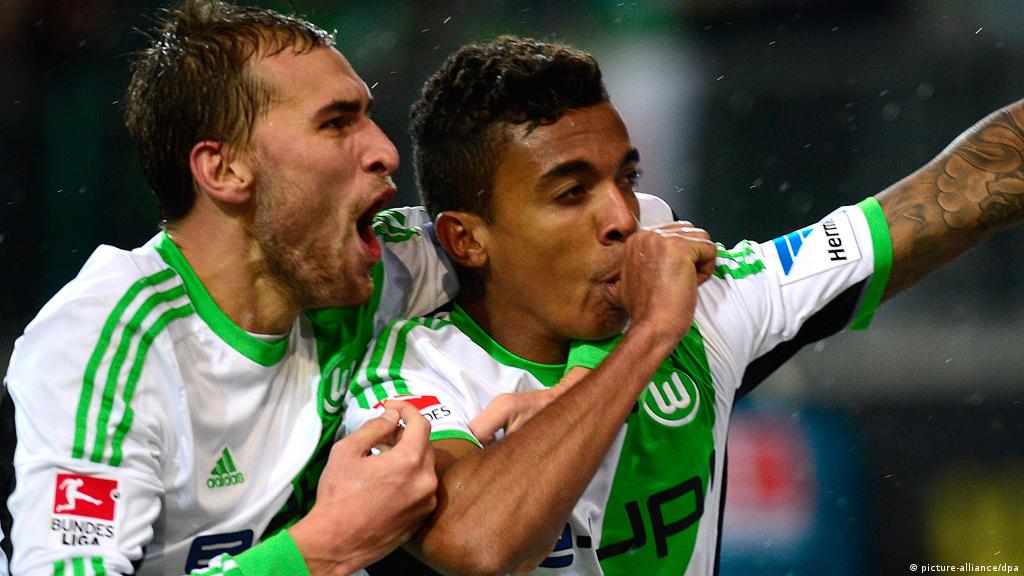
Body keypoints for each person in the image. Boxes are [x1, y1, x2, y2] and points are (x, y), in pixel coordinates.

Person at [341, 36, 1024, 575]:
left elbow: (977, 180)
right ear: (467, 238)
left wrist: (663, 326)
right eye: (571, 192)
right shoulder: (405, 374)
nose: (622, 216)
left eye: (626, 178)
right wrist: (648, 339)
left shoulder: (704, 307)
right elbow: (479, 541)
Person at [2, 1, 454, 574]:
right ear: (224, 170)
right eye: (337, 122)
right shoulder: (106, 343)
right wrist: (323, 546)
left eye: (366, 116)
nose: (385, 151)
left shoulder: (370, 267)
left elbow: (534, 254)